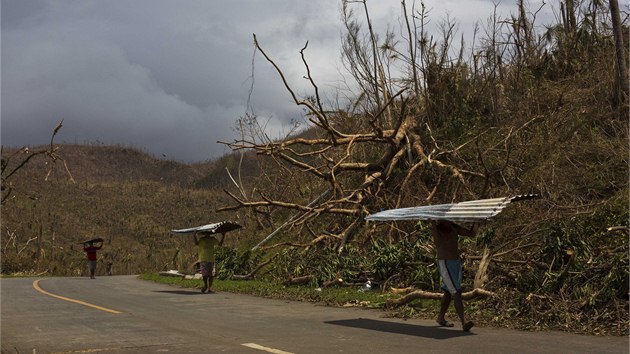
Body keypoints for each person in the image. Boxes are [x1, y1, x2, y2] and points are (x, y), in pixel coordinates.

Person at [431, 220, 478, 332]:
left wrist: (476, 223)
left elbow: (471, 234)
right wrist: (432, 225)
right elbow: (437, 242)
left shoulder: (453, 227)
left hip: (455, 263)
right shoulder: (437, 229)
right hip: (445, 263)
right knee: (456, 292)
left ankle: (440, 317)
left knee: (449, 291)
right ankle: (464, 322)